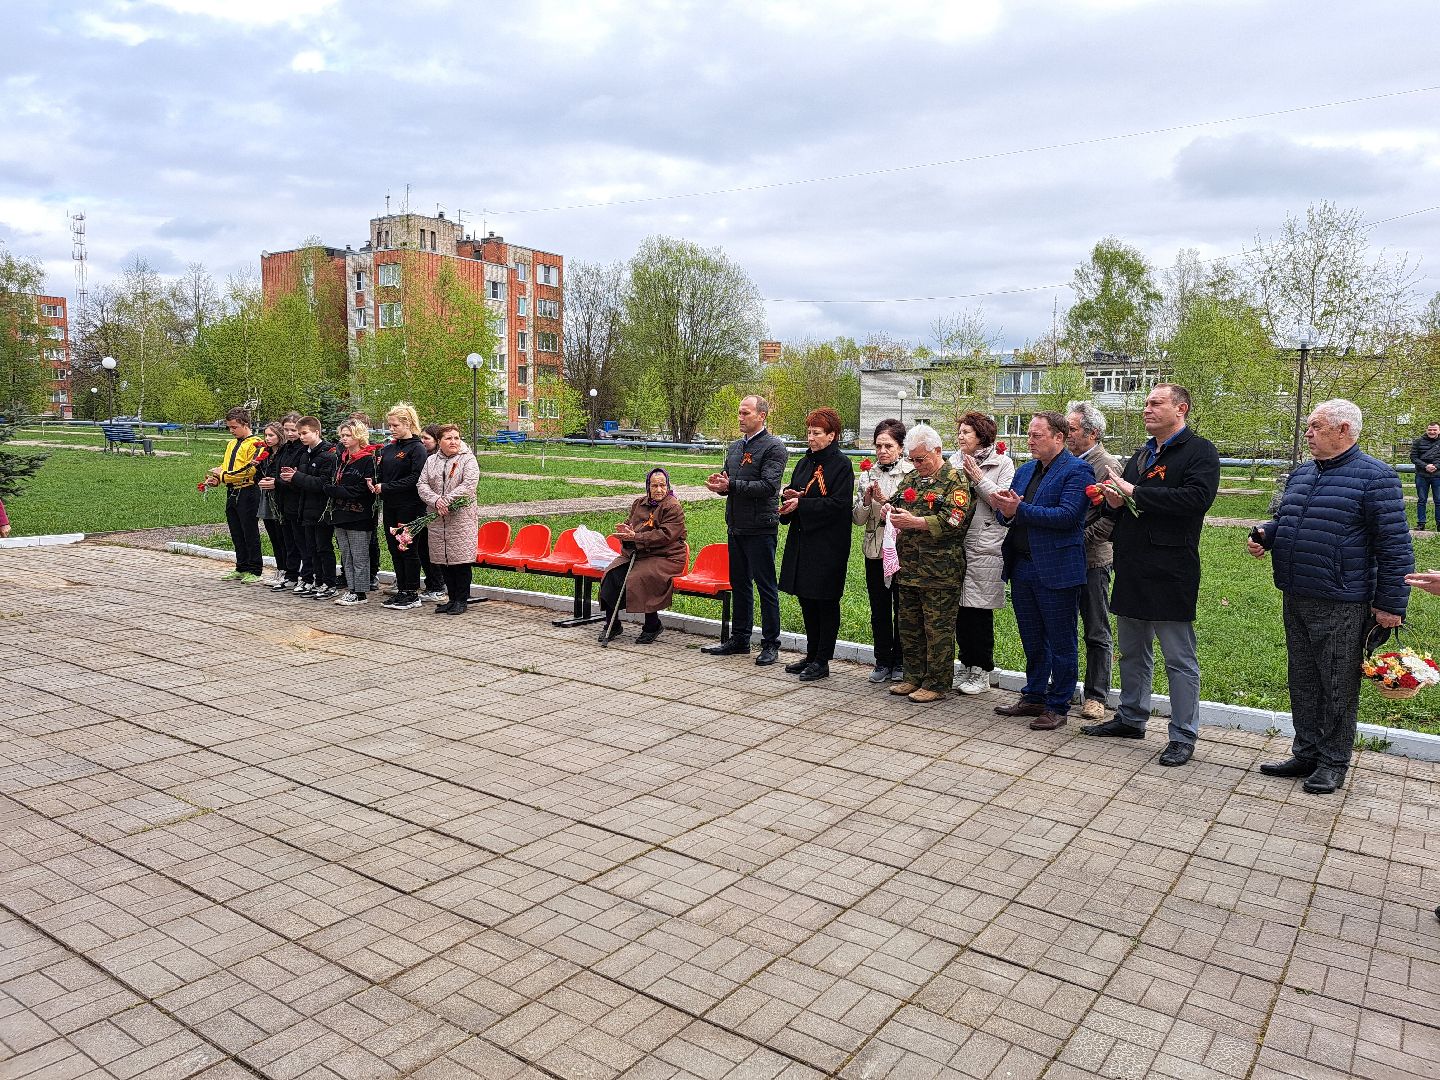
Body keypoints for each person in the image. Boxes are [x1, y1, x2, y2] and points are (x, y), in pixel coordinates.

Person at [1249, 399, 1412, 794]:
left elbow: (1395, 546)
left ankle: (1333, 761)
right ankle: (1305, 751)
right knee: (1303, 678)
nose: (1308, 433)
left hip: (1342, 599)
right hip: (1297, 591)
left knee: (1337, 682)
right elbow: (1290, 519)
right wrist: (1268, 535)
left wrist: (1390, 605)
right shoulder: (1303, 474)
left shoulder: (1376, 477)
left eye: (1316, 426)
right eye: (1308, 426)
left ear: (1343, 430)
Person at [1083, 384, 1220, 768]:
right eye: (1146, 403)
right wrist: (1116, 499)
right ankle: (1131, 717)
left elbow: (1196, 499)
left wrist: (1134, 493)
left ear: (1181, 409)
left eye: (1155, 403)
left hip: (1171, 568)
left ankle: (1183, 735)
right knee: (1132, 650)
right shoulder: (1143, 453)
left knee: (1179, 658)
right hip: (1132, 564)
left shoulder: (1199, 451)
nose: (1147, 409)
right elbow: (1127, 499)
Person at [991, 412, 1091, 731]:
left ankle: (1058, 704)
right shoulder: (1024, 471)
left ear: (1059, 438)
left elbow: (1068, 516)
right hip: (1022, 566)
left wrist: (1018, 510)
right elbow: (1008, 513)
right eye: (1029, 435)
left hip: (1057, 568)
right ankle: (1033, 695)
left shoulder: (1077, 470)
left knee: (1061, 642)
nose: (1030, 440)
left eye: (1037, 435)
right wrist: (1005, 510)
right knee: (1032, 638)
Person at [888, 423, 975, 702]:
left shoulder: (955, 480)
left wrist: (917, 522)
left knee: (937, 629)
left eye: (921, 459)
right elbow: (896, 500)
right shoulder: (912, 478)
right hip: (910, 567)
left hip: (940, 570)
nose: (916, 464)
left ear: (937, 451)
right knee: (909, 626)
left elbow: (955, 520)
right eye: (912, 459)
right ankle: (913, 677)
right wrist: (888, 507)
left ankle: (937, 683)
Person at [702, 395, 788, 665]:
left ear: (761, 415)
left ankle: (771, 643)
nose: (740, 417)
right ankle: (740, 638)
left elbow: (769, 487)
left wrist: (732, 486)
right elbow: (730, 481)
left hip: (761, 527)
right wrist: (719, 484)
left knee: (765, 586)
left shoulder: (775, 447)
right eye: (738, 413)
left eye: (745, 413)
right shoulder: (735, 447)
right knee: (739, 584)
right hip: (736, 524)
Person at [778, 408, 855, 681]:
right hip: (803, 541)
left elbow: (840, 504)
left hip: (828, 545)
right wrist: (789, 498)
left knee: (825, 601)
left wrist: (803, 503)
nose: (811, 438)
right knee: (807, 599)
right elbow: (800, 493)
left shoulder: (841, 465)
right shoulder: (804, 463)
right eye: (809, 432)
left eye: (817, 433)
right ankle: (811, 655)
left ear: (832, 435)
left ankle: (823, 660)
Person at [950, 412, 1015, 696]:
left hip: (986, 543)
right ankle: (965, 664)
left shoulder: (1003, 463)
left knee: (979, 609)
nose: (961, 436)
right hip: (957, 541)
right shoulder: (954, 461)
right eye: (960, 431)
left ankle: (982, 670)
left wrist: (978, 479)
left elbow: (1002, 504)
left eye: (967, 432)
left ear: (982, 436)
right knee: (960, 610)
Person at [1065, 401, 1122, 720]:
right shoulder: (1064, 462)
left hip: (1092, 561)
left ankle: (1096, 695)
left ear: (1093, 433)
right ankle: (1063, 686)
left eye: (1072, 430)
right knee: (1062, 626)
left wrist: (1076, 541)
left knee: (1096, 629)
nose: (1067, 435)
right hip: (1063, 560)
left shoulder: (1107, 466)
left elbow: (1111, 520)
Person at [852, 419, 913, 683]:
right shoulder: (867, 475)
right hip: (875, 550)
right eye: (878, 446)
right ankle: (882, 660)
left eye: (889, 446)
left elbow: (909, 512)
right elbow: (857, 518)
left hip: (901, 550)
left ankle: (900, 661)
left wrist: (886, 502)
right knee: (879, 608)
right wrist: (866, 501)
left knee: (902, 607)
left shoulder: (911, 472)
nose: (883, 451)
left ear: (901, 447)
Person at [598, 467, 688, 644]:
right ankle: (612, 624)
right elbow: (630, 524)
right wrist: (626, 531)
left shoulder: (673, 506)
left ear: (668, 486)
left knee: (642, 577)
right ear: (648, 486)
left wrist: (636, 537)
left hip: (666, 556)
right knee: (611, 575)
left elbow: (665, 536)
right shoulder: (639, 503)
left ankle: (652, 626)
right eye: (654, 486)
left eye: (662, 485)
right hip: (638, 552)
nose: (659, 490)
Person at [296, 419, 377, 606]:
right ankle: (351, 588)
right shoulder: (341, 458)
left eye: (348, 435)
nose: (344, 439)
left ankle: (361, 592)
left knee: (359, 555)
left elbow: (361, 489)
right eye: (342, 436)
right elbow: (331, 482)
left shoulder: (367, 459)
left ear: (358, 436)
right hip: (340, 513)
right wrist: (333, 489)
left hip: (359, 514)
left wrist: (334, 490)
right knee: (346, 554)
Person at [369, 403, 429, 611]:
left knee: (408, 549)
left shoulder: (417, 448)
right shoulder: (390, 448)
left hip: (411, 505)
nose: (391, 429)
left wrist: (386, 487)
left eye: (395, 425)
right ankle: (402, 589)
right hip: (391, 505)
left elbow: (415, 478)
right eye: (390, 425)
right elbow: (384, 473)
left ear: (408, 424)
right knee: (395, 549)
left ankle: (412, 592)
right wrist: (375, 482)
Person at [415, 424, 480, 615]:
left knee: (460, 561)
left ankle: (461, 599)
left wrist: (447, 501)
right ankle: (451, 599)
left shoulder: (468, 459)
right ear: (440, 441)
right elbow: (422, 483)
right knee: (443, 560)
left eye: (456, 438)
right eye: (448, 438)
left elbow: (469, 484)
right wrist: (436, 501)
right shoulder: (432, 460)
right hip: (437, 518)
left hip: (460, 519)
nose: (453, 442)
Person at [279, 416, 340, 600]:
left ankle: (329, 583)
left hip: (321, 510)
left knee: (323, 547)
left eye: (305, 433)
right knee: (311, 547)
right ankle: (318, 581)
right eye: (300, 434)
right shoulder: (305, 454)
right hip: (305, 508)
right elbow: (302, 481)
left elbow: (323, 483)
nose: (301, 437)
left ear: (316, 432)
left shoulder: (328, 455)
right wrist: (291, 479)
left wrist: (296, 477)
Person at [203, 407, 266, 584]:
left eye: (234, 427)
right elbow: (227, 466)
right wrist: (216, 478)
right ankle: (241, 566)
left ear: (245, 424)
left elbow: (249, 470)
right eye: (229, 427)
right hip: (232, 491)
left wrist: (222, 476)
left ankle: (255, 569)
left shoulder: (256, 444)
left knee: (249, 531)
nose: (231, 431)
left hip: (248, 491)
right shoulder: (231, 444)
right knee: (236, 531)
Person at [268, 413, 306, 592]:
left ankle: (306, 575)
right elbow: (278, 470)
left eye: (294, 430)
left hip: (297, 501)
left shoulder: (303, 449)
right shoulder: (285, 448)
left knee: (301, 541)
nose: (290, 434)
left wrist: (276, 482)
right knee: (288, 540)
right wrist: (272, 481)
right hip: (282, 499)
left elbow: (296, 477)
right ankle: (291, 574)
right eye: (286, 430)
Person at [252, 422, 289, 587]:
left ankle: (288, 570)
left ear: (280, 436)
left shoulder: (284, 453)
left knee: (283, 537)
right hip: (266, 498)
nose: (268, 439)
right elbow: (258, 478)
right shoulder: (265, 454)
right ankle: (280, 568)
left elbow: (281, 476)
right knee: (273, 536)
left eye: (271, 435)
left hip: (280, 498)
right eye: (266, 435)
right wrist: (258, 469)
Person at [415, 424, 448, 601]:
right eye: (421, 438)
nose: (422, 441)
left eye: (426, 438)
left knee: (432, 550)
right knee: (422, 549)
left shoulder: (439, 460)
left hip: (436, 510)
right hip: (422, 508)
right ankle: (431, 583)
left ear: (436, 440)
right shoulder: (425, 457)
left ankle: (438, 585)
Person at [1410, 420, 1440, 530]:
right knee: (1422, 500)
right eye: (1430, 429)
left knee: (1439, 500)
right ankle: (1421, 523)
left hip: (1438, 475)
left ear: (1439, 430)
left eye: (1434, 429)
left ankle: (1439, 524)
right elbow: (1413, 457)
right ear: (1427, 430)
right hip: (1422, 475)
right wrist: (1425, 466)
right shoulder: (1418, 442)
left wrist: (1436, 466)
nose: (1432, 431)